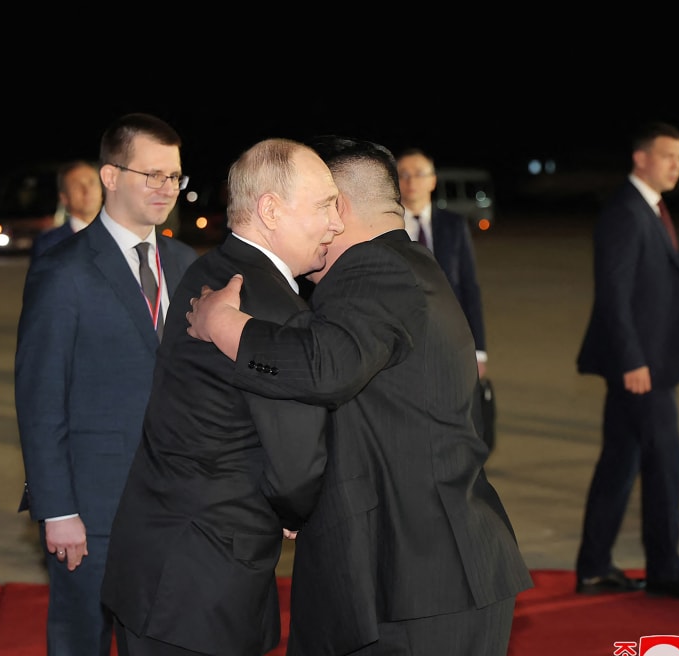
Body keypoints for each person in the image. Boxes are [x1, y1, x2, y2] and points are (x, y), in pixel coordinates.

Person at [186, 136, 532, 656]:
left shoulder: (377, 270)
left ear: (338, 209)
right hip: (429, 573)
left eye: (318, 205)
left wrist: (226, 324)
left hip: (418, 581)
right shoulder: (409, 266)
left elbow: (322, 368)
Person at [101, 137, 342, 656]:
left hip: (155, 558)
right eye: (325, 205)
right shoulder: (275, 310)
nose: (336, 223)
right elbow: (296, 466)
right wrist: (298, 510)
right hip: (202, 581)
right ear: (271, 210)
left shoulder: (207, 271)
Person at [14, 112, 198, 656]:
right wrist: (58, 509)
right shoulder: (64, 269)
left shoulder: (186, 264)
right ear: (111, 177)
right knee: (81, 642)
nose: (167, 189)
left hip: (176, 508)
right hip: (92, 514)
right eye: (152, 175)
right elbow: (40, 398)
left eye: (175, 177)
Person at [575, 122, 679, 600]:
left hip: (648, 363)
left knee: (620, 463)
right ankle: (665, 570)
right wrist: (633, 360)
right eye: (668, 156)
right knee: (664, 467)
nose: (678, 165)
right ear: (641, 159)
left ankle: (595, 567)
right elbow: (613, 295)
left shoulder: (650, 208)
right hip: (642, 369)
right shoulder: (626, 210)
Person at [395, 148, 495, 449]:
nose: (411, 181)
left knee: (447, 416)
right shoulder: (386, 227)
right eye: (404, 174)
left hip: (447, 340)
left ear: (433, 181)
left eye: (419, 174)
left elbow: (469, 288)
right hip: (401, 341)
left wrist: (478, 350)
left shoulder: (453, 224)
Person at [30, 159, 103, 258]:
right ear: (64, 198)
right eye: (77, 185)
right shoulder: (50, 245)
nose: (86, 190)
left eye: (92, 183)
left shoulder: (122, 235)